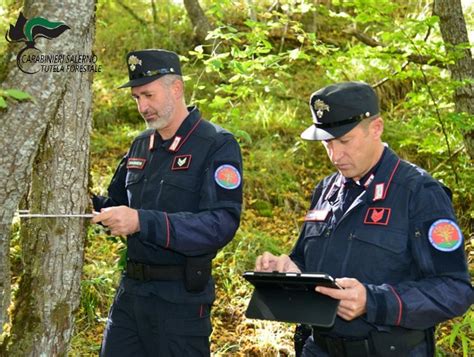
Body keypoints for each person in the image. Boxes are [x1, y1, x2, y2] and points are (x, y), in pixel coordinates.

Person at [255, 81, 473, 357]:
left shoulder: (418, 193)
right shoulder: (326, 190)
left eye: (345, 141)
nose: (335, 155)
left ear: (376, 128)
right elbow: (307, 264)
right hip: (318, 348)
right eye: (327, 144)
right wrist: (287, 271)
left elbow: (454, 290)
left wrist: (373, 301)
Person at [92, 49, 243, 356]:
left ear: (176, 88)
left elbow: (221, 224)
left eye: (148, 95)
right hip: (130, 296)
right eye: (136, 98)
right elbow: (116, 205)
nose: (142, 106)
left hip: (180, 303)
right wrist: (89, 202)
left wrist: (142, 221)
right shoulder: (140, 145)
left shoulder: (215, 144)